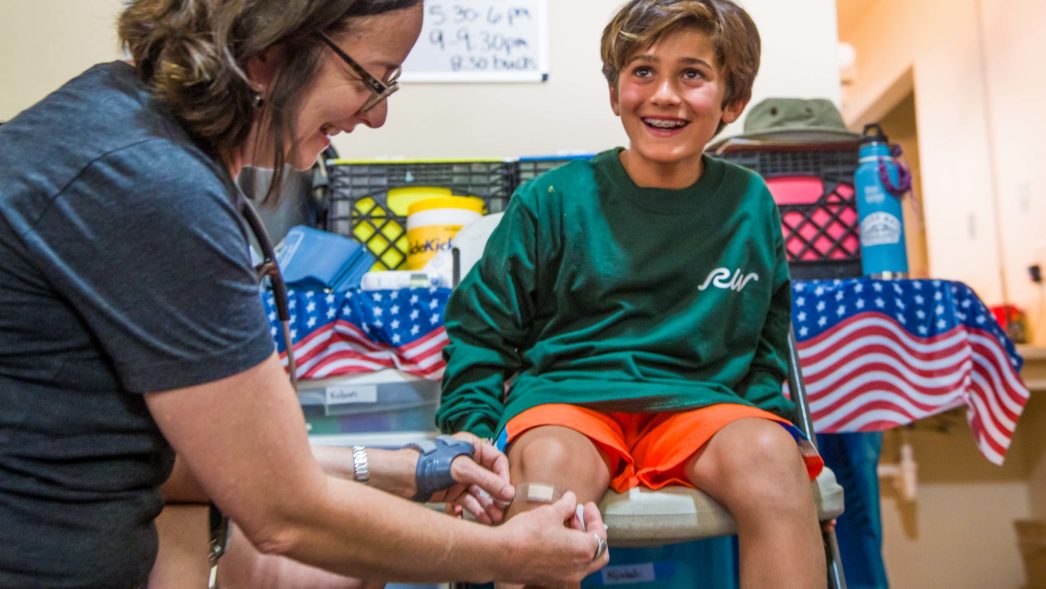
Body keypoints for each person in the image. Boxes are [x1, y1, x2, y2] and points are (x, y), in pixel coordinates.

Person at [0, 1, 610, 587]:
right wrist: (509, 555)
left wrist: (406, 468)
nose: (375, 116)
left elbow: (204, 461)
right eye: (374, 80)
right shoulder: (151, 184)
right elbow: (283, 511)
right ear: (268, 49)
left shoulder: (113, 114)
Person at [436, 1, 828, 588]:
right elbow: (481, 332)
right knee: (546, 470)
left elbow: (765, 341)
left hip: (700, 407)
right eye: (643, 71)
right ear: (616, 90)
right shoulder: (551, 200)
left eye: (692, 74)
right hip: (570, 403)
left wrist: (764, 426)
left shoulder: (750, 204)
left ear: (732, 101)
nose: (664, 94)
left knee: (774, 459)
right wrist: (469, 432)